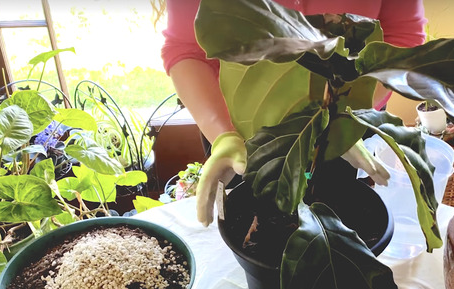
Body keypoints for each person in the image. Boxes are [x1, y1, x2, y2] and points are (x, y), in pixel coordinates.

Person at [160, 0, 427, 226]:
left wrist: (346, 115)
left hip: (343, 124)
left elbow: (402, 38)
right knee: (252, 219)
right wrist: (222, 134)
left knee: (331, 210)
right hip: (240, 133)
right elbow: (187, 50)